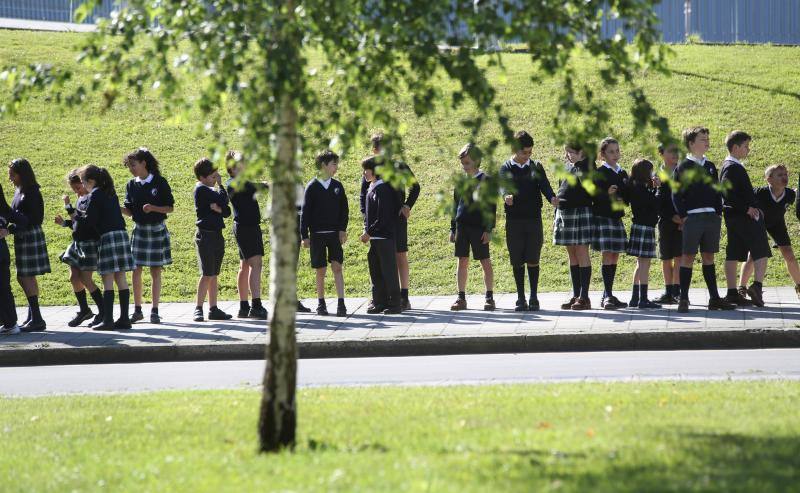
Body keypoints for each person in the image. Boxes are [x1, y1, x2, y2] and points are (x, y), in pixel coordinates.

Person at [671, 127, 735, 313]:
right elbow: (676, 195)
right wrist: (684, 216)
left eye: (708, 138)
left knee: (709, 257)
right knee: (688, 257)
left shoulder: (710, 166)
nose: (707, 142)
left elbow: (717, 192)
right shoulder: (683, 166)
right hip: (692, 217)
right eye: (702, 139)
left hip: (711, 218)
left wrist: (718, 212)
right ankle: (683, 298)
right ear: (691, 144)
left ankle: (714, 298)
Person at [360, 132, 420, 310]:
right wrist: (366, 218)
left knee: (399, 254)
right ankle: (378, 296)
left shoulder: (399, 166)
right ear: (375, 150)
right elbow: (364, 195)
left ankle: (403, 295)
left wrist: (407, 205)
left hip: (397, 219)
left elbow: (415, 187)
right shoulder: (370, 167)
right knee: (377, 258)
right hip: (376, 223)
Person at [500, 130, 557, 311]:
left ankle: (533, 296)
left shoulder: (536, 166)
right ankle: (520, 298)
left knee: (533, 258)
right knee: (517, 259)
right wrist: (505, 196)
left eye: (530, 152)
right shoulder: (506, 167)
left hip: (533, 219)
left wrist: (552, 198)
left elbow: (545, 186)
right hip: (514, 221)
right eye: (524, 152)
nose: (528, 156)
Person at [75, 165, 135, 331]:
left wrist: (75, 215)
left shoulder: (95, 194)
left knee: (107, 279)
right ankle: (124, 319)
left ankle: (108, 320)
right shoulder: (110, 192)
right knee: (121, 278)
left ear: (91, 181)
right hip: (121, 235)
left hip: (108, 237)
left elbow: (90, 220)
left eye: (83, 182)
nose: (83, 185)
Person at [122, 148, 175, 324]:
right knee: (135, 271)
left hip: (157, 230)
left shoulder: (159, 182)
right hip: (139, 230)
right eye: (129, 166)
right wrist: (117, 207)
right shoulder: (131, 185)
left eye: (133, 165)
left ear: (144, 163)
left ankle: (155, 310)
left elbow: (170, 207)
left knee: (155, 272)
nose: (131, 169)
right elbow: (129, 211)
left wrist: (153, 208)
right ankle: (137, 310)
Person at [719, 130, 770, 307]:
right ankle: (756, 286)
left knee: (733, 252)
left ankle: (733, 293)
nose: (748, 150)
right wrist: (747, 208)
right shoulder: (732, 167)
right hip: (742, 217)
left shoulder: (731, 166)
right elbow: (727, 192)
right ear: (735, 147)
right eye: (746, 146)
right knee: (761, 250)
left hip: (734, 216)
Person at [739, 164, 800, 299]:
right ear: (769, 179)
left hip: (777, 225)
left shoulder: (790, 194)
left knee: (789, 254)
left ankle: (799, 286)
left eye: (785, 174)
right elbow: (743, 200)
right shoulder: (759, 193)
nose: (784, 177)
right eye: (779, 175)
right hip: (757, 224)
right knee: (752, 256)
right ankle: (741, 288)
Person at [301, 150, 349, 317]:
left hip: (334, 234)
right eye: (333, 164)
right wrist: (304, 235)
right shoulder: (312, 187)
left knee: (337, 267)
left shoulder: (337, 186)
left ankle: (341, 303)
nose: (336, 167)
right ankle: (321, 303)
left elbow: (344, 209)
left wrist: (342, 229)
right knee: (320, 270)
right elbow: (305, 213)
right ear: (323, 165)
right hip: (317, 235)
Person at [449, 143, 496, 311]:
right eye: (462, 163)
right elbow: (455, 205)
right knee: (462, 260)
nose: (464, 166)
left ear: (476, 161)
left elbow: (491, 207)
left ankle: (489, 296)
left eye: (467, 163)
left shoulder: (486, 180)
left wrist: (489, 229)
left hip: (479, 228)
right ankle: (461, 297)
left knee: (485, 261)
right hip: (462, 226)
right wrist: (453, 228)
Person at [55, 170, 104, 327]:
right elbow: (77, 224)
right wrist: (64, 223)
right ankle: (84, 310)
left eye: (78, 187)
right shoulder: (80, 199)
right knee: (73, 277)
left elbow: (85, 222)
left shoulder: (90, 198)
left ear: (84, 183)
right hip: (78, 242)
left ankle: (103, 311)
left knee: (85, 279)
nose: (77, 191)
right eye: (74, 188)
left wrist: (68, 207)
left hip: (90, 243)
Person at [8, 158, 51, 332]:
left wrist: (12, 228)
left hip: (29, 234)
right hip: (23, 235)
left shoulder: (32, 191)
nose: (10, 177)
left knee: (25, 276)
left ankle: (37, 318)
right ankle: (33, 316)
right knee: (26, 276)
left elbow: (34, 218)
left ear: (21, 174)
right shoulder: (21, 190)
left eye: (12, 173)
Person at [226, 150, 268, 320]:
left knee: (244, 266)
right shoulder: (236, 184)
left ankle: (244, 306)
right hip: (247, 228)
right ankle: (256, 305)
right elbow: (258, 186)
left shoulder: (238, 183)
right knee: (255, 264)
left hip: (245, 227)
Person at [553, 143, 594, 311]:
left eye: (572, 152)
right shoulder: (566, 167)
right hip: (564, 212)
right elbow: (560, 189)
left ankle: (584, 297)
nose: (568, 155)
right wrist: (554, 215)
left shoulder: (587, 168)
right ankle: (576, 294)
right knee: (572, 254)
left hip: (581, 211)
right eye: (567, 152)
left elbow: (590, 189)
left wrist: (580, 164)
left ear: (581, 152)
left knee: (582, 252)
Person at [192, 158, 233, 322]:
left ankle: (213, 308)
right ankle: (198, 308)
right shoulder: (201, 190)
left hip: (216, 234)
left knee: (214, 273)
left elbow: (227, 211)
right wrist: (221, 187)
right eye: (212, 177)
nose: (215, 179)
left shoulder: (211, 190)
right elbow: (224, 201)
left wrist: (220, 208)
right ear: (202, 178)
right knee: (207, 273)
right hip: (205, 235)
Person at [360, 156, 402, 314]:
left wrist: (369, 232)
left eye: (366, 169)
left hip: (384, 237)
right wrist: (367, 230)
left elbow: (383, 217)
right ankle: (379, 301)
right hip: (375, 239)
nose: (364, 173)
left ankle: (395, 303)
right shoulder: (372, 187)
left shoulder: (383, 189)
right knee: (375, 271)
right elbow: (370, 215)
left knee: (388, 271)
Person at [591, 138, 628, 310]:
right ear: (603, 154)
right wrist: (606, 193)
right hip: (604, 218)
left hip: (617, 218)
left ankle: (609, 294)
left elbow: (628, 197)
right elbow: (594, 197)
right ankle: (606, 294)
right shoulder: (600, 173)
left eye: (617, 151)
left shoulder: (622, 173)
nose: (615, 154)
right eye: (611, 151)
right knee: (607, 255)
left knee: (615, 256)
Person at [625, 159, 661, 309]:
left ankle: (635, 297)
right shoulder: (641, 189)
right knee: (645, 264)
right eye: (651, 171)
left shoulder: (636, 187)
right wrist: (658, 188)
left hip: (639, 226)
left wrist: (652, 187)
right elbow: (654, 203)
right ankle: (643, 299)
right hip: (645, 227)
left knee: (640, 264)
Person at [654, 142, 683, 304]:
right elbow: (657, 201)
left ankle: (677, 291)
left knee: (679, 256)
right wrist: (671, 216)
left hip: (682, 221)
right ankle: (668, 291)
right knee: (666, 257)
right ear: (661, 154)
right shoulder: (657, 174)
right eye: (670, 151)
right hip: (665, 221)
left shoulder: (684, 172)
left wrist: (683, 217)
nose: (675, 154)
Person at [0, 183, 25, 335]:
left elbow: (24, 221)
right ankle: (10, 323)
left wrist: (8, 230)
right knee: (4, 289)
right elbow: (23, 221)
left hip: (1, 255)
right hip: (2, 254)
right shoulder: (4, 209)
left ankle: (10, 323)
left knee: (3, 289)